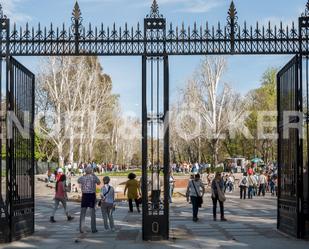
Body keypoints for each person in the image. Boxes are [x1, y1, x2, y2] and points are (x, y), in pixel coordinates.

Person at [78, 166, 101, 233]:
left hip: (84, 195)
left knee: (83, 213)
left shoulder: (82, 177)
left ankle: (81, 228)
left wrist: (84, 175)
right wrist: (94, 175)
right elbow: (99, 182)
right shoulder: (93, 177)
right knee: (92, 213)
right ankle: (93, 228)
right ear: (91, 171)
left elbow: (78, 180)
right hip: (91, 195)